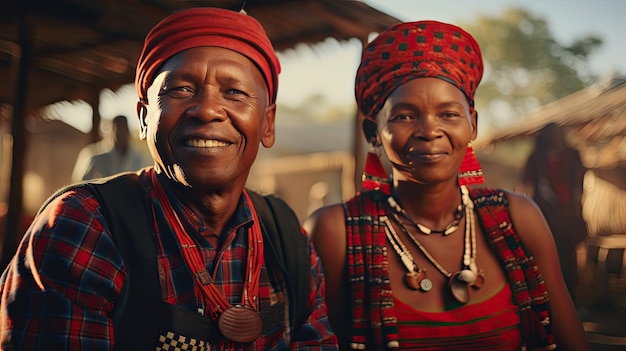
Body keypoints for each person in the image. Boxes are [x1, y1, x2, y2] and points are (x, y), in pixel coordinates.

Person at [0, 7, 337, 350]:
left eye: (234, 92)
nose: (207, 110)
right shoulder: (84, 226)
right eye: (181, 89)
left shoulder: (284, 235)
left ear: (268, 124)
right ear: (145, 117)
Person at [305, 20, 590, 350]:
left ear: (473, 124)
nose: (429, 130)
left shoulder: (518, 218)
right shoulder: (335, 232)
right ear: (373, 133)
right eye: (405, 116)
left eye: (449, 114)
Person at [523, 122, 588, 300]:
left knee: (567, 257)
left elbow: (578, 185)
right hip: (543, 212)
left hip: (566, 214)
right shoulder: (536, 158)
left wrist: (575, 209)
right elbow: (527, 185)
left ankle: (570, 298)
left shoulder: (572, 156)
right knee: (543, 253)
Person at [71, 115, 150, 181]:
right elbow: (80, 182)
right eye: (119, 131)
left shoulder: (138, 157)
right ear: (112, 132)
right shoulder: (94, 154)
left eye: (124, 130)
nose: (122, 134)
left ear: (128, 132)